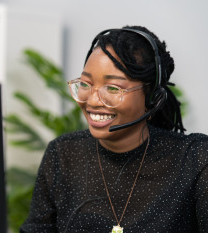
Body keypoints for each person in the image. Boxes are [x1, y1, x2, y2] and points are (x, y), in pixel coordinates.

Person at [19, 25, 208, 233]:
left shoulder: (195, 160)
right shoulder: (63, 155)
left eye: (112, 88)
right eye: (85, 84)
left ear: (152, 97)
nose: (92, 100)